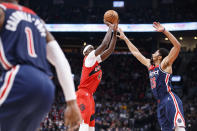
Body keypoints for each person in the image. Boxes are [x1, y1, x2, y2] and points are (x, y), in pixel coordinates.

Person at [0, 0, 82, 131]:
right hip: (46, 88)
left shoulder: (2, 11)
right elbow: (60, 59)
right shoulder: (37, 20)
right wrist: (71, 101)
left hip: (20, 78)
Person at [117, 22, 185, 131]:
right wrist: (125, 38)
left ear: (160, 56)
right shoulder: (150, 65)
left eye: (156, 52)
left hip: (169, 99)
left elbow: (177, 46)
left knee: (179, 128)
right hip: (160, 102)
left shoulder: (165, 64)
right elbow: (136, 52)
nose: (153, 53)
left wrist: (164, 31)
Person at [76, 21, 118, 131]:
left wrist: (114, 33)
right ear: (86, 53)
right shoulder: (89, 58)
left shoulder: (95, 61)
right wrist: (110, 28)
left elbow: (110, 50)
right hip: (83, 93)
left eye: (93, 48)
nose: (93, 50)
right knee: (84, 125)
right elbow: (104, 45)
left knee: (91, 127)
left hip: (89, 95)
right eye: (91, 49)